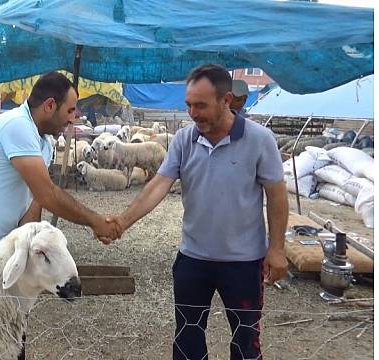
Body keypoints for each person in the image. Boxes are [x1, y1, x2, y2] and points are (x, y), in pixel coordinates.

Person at [105, 64, 288, 360]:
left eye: (200, 105)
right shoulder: (183, 140)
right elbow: (158, 185)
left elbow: (277, 195)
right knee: (187, 337)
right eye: (189, 105)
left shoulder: (259, 139)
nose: (192, 113)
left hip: (244, 262)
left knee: (246, 340)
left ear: (226, 100)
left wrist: (277, 248)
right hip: (193, 259)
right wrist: (122, 222)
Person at [0, 72, 119, 359]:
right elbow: (47, 193)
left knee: (10, 336)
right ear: (50, 105)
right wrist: (95, 222)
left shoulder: (44, 144)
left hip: (3, 249)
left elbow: (35, 201)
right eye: (70, 109)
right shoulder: (16, 126)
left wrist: (31, 240)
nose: (73, 118)